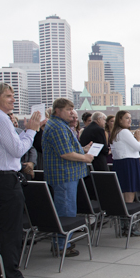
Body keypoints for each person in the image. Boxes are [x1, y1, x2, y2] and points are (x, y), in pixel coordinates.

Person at [0, 83, 42, 278]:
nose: (13, 99)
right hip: (5, 182)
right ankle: (12, 277)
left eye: (13, 96)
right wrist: (31, 132)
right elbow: (17, 150)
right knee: (12, 231)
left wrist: (26, 132)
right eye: (8, 96)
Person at [42, 98, 94, 255]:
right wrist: (85, 158)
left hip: (65, 176)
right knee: (66, 212)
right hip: (64, 177)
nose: (72, 112)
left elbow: (66, 148)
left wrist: (82, 149)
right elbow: (64, 153)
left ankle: (62, 243)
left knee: (66, 210)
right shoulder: (58, 127)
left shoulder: (60, 125)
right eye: (68, 109)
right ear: (57, 111)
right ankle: (61, 245)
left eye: (73, 109)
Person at [109, 111, 140, 205]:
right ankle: (128, 215)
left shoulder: (115, 132)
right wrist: (139, 139)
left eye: (130, 118)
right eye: (126, 118)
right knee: (130, 189)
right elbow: (138, 147)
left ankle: (124, 214)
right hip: (129, 162)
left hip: (120, 162)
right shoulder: (124, 132)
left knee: (124, 189)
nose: (130, 120)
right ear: (120, 120)